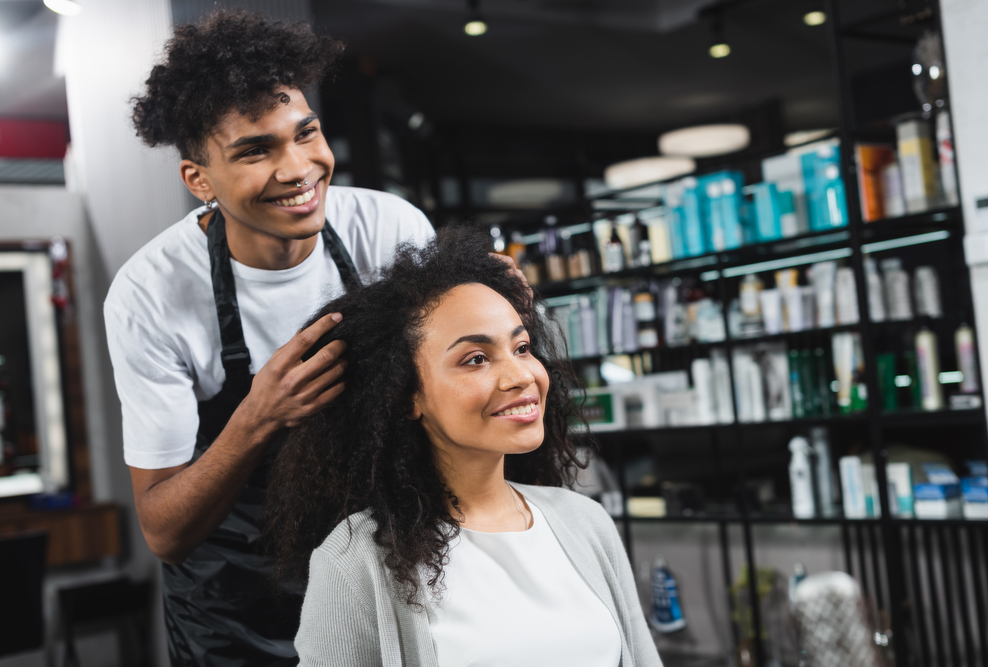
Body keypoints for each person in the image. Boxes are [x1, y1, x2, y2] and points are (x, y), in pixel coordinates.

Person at [103, 11, 437, 666]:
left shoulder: (387, 230)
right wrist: (257, 416)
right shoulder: (151, 294)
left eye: (305, 134)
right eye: (256, 151)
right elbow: (165, 530)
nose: (299, 168)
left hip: (378, 572)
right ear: (199, 179)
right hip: (236, 611)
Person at [262, 228, 662, 667]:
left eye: (522, 347)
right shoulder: (356, 557)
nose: (521, 376)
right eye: (476, 358)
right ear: (405, 395)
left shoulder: (584, 522)